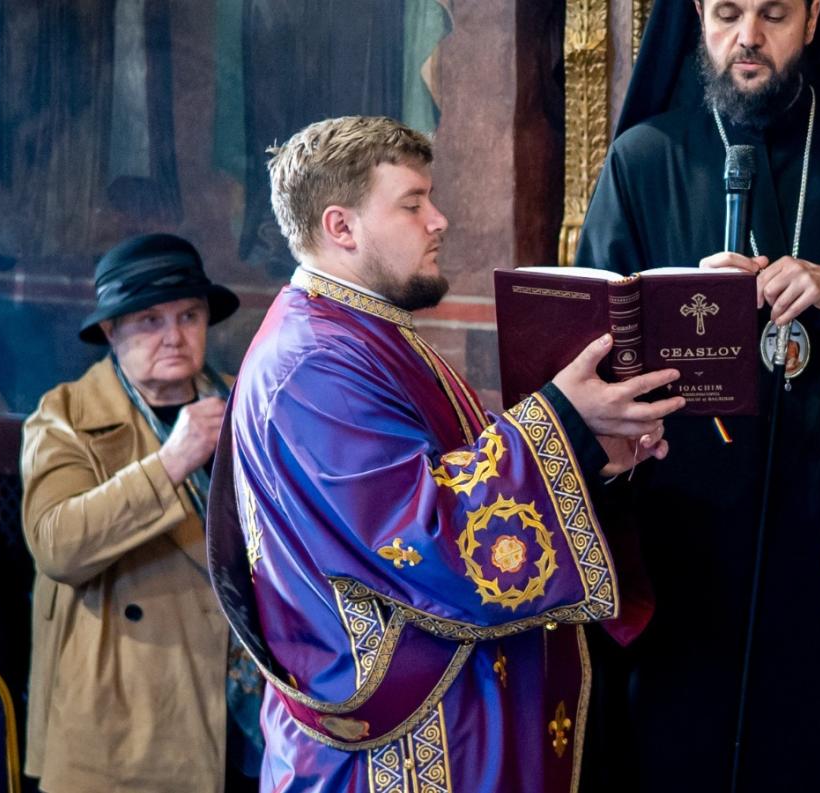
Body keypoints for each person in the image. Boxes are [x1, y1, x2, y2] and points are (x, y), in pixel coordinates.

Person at [206, 115, 683, 792]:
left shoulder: (361, 332)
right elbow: (424, 534)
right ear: (341, 227)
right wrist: (564, 420)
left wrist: (593, 452)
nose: (439, 220)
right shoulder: (311, 361)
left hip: (447, 717)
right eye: (412, 204)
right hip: (392, 756)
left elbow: (467, 463)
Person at [573, 0, 820, 789]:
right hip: (683, 552)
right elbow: (586, 357)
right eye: (727, 14)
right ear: (698, 16)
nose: (748, 37)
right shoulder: (644, 161)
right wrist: (673, 305)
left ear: (815, 20)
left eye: (774, 15)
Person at [20, 233, 262, 792]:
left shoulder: (246, 401)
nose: (174, 337)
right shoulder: (65, 416)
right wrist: (172, 462)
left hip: (247, 713)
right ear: (111, 330)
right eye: (150, 320)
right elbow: (56, 547)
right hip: (127, 721)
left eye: (188, 316)